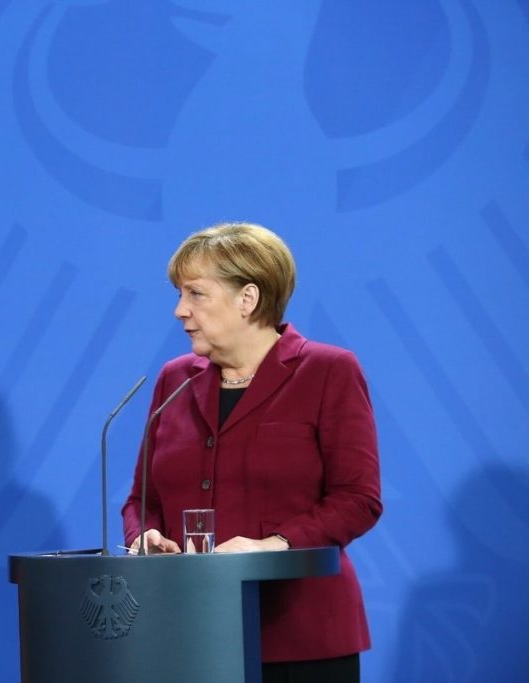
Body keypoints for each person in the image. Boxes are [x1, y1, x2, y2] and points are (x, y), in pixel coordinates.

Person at [122, 222, 382, 683]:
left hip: (300, 636)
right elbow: (142, 500)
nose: (180, 310)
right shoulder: (174, 379)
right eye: (179, 294)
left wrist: (273, 545)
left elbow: (357, 499)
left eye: (195, 293)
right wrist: (145, 536)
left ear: (248, 298)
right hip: (189, 632)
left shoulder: (328, 371)